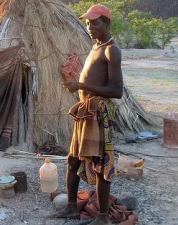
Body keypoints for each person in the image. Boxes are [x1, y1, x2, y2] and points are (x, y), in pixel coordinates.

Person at [50, 4, 123, 225]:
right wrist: (78, 83)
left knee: (102, 165)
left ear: (106, 23)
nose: (89, 27)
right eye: (88, 22)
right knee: (72, 159)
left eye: (95, 22)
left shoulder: (112, 50)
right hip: (86, 112)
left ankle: (102, 218)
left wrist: (81, 84)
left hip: (99, 113)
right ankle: (71, 207)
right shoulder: (96, 47)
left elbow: (116, 91)